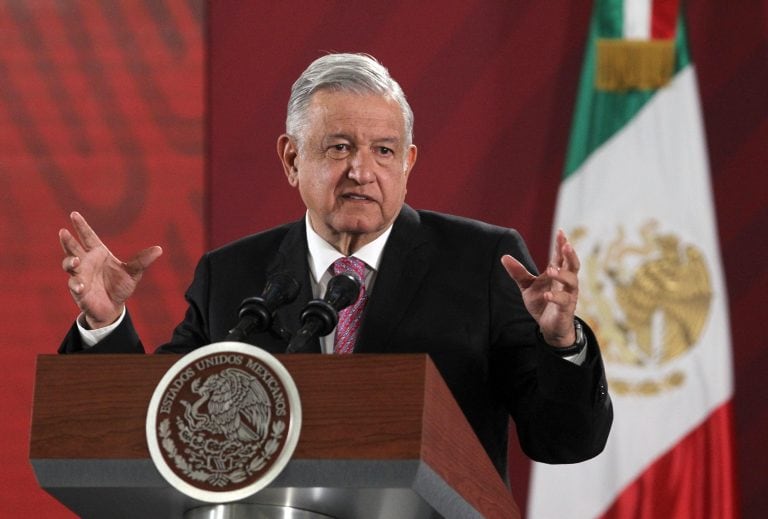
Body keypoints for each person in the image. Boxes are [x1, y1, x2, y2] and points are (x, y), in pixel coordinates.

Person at [58, 53, 612, 478]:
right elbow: (159, 424)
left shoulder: (483, 261)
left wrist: (562, 340)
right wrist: (105, 324)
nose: (362, 172)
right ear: (292, 159)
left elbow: (564, 441)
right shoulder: (233, 275)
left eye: (385, 151)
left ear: (409, 163)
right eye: (340, 148)